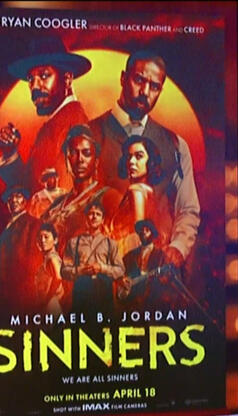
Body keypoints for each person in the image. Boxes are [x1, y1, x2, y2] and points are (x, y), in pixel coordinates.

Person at [88, 51, 200, 269]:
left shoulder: (176, 145)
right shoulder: (88, 136)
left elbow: (187, 208)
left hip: (155, 273)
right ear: (123, 78)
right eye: (139, 80)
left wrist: (178, 247)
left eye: (154, 87)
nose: (145, 92)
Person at [0, 36, 91, 192]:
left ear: (67, 79)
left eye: (44, 76)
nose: (35, 86)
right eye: (30, 79)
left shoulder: (73, 126)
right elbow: (30, 186)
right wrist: (10, 153)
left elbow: (59, 195)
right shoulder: (56, 123)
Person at [41, 124, 121, 250]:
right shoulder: (57, 204)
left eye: (86, 153)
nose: (80, 159)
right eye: (73, 153)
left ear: (96, 161)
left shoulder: (110, 198)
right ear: (66, 160)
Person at [109, 135, 174, 254]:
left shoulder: (136, 190)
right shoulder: (149, 191)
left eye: (138, 156)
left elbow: (138, 235)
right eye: (129, 157)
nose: (131, 162)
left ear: (151, 162)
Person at [61, 200, 124, 316]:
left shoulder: (110, 243)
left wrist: (102, 268)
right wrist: (80, 270)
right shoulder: (73, 243)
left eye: (98, 214)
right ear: (86, 217)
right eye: (91, 213)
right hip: (81, 293)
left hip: (103, 294)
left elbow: (120, 270)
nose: (94, 217)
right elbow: (64, 271)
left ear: (102, 219)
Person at [0, 185, 41, 306]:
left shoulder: (33, 224)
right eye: (10, 197)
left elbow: (34, 263)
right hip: (4, 295)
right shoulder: (4, 227)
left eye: (18, 196)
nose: (14, 200)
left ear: (25, 200)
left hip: (22, 295)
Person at [33, 221, 65, 315]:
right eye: (40, 237)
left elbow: (58, 277)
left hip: (50, 305)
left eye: (46, 237)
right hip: (48, 305)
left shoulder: (52, 258)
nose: (42, 240)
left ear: (55, 240)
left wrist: (47, 299)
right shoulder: (48, 258)